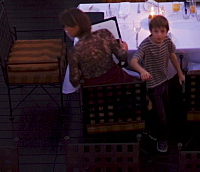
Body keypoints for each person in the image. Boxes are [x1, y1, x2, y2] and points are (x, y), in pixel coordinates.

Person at [129, 15, 184, 154]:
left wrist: (180, 73)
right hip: (152, 85)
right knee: (161, 114)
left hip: (164, 80)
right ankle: (162, 138)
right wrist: (142, 71)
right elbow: (133, 61)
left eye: (162, 31)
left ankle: (158, 129)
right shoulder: (146, 44)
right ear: (151, 31)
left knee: (165, 107)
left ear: (167, 31)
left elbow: (172, 56)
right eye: (156, 31)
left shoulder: (167, 42)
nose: (159, 35)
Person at [59, 8, 133, 86]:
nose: (65, 29)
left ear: (76, 27)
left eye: (66, 26)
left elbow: (74, 81)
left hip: (95, 92)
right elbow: (123, 57)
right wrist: (124, 48)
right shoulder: (104, 34)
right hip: (117, 84)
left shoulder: (74, 52)